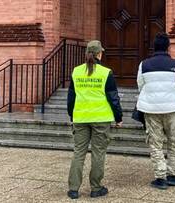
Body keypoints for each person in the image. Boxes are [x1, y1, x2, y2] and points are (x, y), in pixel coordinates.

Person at [66, 40, 123, 199]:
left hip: (81, 117)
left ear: (86, 54)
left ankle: (73, 189)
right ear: (99, 54)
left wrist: (72, 114)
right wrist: (119, 117)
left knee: (78, 153)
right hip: (101, 118)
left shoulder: (76, 71)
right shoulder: (106, 72)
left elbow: (71, 97)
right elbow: (113, 98)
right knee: (98, 153)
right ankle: (96, 188)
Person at [136, 33, 175, 190]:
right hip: (172, 109)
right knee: (174, 140)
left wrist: (151, 96)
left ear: (154, 46)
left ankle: (160, 177)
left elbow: (140, 85)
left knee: (155, 142)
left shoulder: (144, 64)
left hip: (151, 109)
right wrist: (173, 95)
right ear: (168, 47)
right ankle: (173, 174)